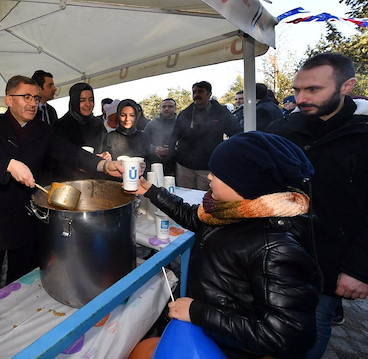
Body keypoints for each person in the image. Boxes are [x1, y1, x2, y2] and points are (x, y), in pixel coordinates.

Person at [133, 131, 320, 358]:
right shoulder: (231, 212)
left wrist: (198, 312)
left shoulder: (274, 247)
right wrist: (151, 192)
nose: (209, 177)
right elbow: (193, 217)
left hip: (230, 349)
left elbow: (288, 335)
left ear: (246, 183)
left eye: (218, 173)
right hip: (211, 331)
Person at [0, 75, 123, 299]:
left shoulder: (43, 130)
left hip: (26, 219)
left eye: (35, 98)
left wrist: (103, 165)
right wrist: (8, 165)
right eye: (25, 97)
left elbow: (69, 153)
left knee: (21, 283)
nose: (32, 103)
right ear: (9, 99)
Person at [268, 52, 368, 358]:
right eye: (298, 89)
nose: (300, 98)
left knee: (316, 321)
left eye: (313, 90)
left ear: (346, 86)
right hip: (283, 250)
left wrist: (360, 268)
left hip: (332, 259)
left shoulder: (363, 136)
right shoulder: (285, 128)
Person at [167, 81, 241, 190]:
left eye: (201, 91)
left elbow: (236, 133)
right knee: (184, 197)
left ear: (209, 94)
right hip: (184, 166)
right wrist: (170, 163)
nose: (197, 95)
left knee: (204, 199)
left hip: (208, 167)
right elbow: (173, 138)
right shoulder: (185, 114)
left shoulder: (221, 113)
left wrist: (227, 155)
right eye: (194, 92)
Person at [143, 98, 177, 175]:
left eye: (170, 106)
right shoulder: (151, 124)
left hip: (176, 166)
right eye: (164, 107)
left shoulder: (180, 124)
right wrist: (154, 149)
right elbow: (142, 143)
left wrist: (173, 150)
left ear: (175, 109)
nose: (166, 109)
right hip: (154, 165)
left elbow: (187, 145)